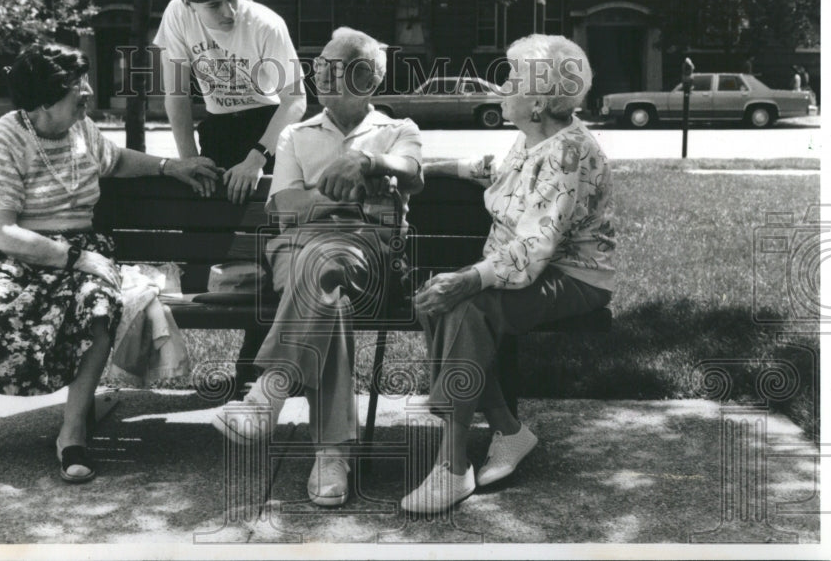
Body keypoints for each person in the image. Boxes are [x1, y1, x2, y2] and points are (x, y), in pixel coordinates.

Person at [0, 43, 220, 483]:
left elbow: (117, 159)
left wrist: (169, 166)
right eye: (76, 88)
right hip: (11, 253)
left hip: (79, 249)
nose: (87, 92)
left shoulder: (81, 129)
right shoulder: (1, 140)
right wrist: (76, 257)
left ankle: (72, 432)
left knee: (99, 304)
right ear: (44, 100)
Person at [401, 35, 616, 513]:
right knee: (431, 299)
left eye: (514, 78)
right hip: (528, 270)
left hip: (574, 275)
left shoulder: (569, 153)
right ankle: (509, 430)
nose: (503, 86)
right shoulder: (535, 138)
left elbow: (536, 245)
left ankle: (452, 468)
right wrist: (428, 168)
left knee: (465, 307)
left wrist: (470, 278)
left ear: (538, 101)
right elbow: (499, 171)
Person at [210, 27, 424, 507]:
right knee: (327, 285)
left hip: (368, 255)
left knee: (325, 271)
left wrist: (366, 160)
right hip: (298, 249)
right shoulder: (295, 133)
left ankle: (270, 391)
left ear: (365, 77)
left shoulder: (398, 130)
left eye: (333, 65)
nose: (317, 71)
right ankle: (331, 454)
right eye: (319, 63)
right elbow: (282, 209)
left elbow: (411, 173)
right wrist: (347, 190)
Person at [153, 0, 307, 204]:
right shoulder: (177, 15)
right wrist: (190, 161)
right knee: (206, 220)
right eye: (214, 6)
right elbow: (177, 95)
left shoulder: (266, 25)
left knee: (268, 221)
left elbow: (295, 99)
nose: (229, 11)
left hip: (268, 126)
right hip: (219, 128)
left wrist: (257, 158)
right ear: (188, 4)